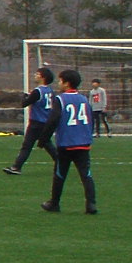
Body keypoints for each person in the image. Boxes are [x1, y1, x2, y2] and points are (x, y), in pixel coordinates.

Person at [40, 69, 99, 215]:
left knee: (60, 173)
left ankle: (54, 203)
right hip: (83, 143)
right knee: (86, 174)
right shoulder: (84, 99)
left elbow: (53, 120)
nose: (59, 83)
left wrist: (43, 139)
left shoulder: (60, 99)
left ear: (67, 83)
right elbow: (90, 120)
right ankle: (91, 204)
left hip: (66, 143)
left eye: (60, 81)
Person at [3, 66, 60, 175]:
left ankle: (16, 167)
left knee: (28, 146)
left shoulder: (38, 91)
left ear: (43, 77)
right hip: (45, 122)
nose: (35, 75)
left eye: (37, 74)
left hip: (36, 123)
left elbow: (24, 103)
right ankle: (60, 162)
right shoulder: (50, 91)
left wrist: (24, 97)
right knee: (46, 144)